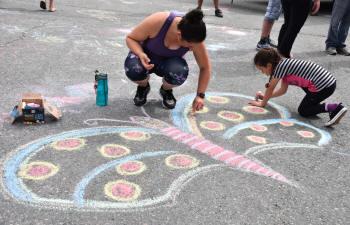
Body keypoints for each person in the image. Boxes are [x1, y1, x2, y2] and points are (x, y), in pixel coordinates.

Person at [124, 9, 211, 111]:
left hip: (168, 64)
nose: (191, 49)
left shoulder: (194, 38)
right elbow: (131, 38)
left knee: (179, 73)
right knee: (134, 69)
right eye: (190, 46)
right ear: (179, 35)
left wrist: (200, 96)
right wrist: (140, 53)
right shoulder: (158, 21)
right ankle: (143, 87)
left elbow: (205, 67)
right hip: (145, 58)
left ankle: (166, 90)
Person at [250, 48, 347, 127]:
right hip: (326, 83)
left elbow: (270, 88)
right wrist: (265, 97)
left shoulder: (279, 68)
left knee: (303, 111)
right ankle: (315, 104)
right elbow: (282, 91)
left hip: (323, 85)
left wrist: (262, 103)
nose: (262, 72)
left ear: (269, 65)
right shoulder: (284, 65)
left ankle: (335, 107)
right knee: (309, 101)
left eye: (261, 69)